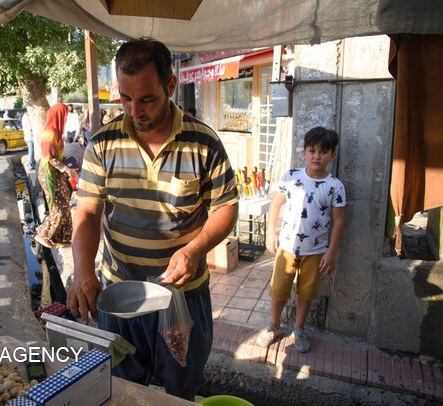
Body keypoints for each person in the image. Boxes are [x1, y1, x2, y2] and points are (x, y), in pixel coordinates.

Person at [67, 38, 239, 400]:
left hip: (181, 297)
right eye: (125, 98)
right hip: (118, 297)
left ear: (171, 86)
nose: (135, 110)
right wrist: (83, 272)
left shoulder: (203, 143)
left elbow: (226, 208)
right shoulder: (102, 144)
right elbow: (86, 211)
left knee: (178, 389)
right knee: (121, 388)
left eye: (147, 99)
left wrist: (194, 250)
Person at [256, 127, 346, 353]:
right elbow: (276, 203)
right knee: (278, 289)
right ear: (304, 152)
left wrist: (331, 252)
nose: (317, 156)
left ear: (332, 155)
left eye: (323, 152)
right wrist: (272, 232)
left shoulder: (335, 186)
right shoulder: (292, 176)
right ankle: (274, 325)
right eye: (312, 151)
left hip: (315, 251)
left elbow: (339, 221)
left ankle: (299, 328)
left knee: (306, 292)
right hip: (286, 247)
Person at [34, 102, 77, 248]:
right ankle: (42, 234)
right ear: (58, 116)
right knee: (58, 205)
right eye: (64, 115)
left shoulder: (57, 133)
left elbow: (58, 156)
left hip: (57, 172)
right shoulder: (49, 133)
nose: (65, 119)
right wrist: (66, 169)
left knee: (65, 202)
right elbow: (49, 158)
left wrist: (69, 166)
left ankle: (62, 236)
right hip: (48, 173)